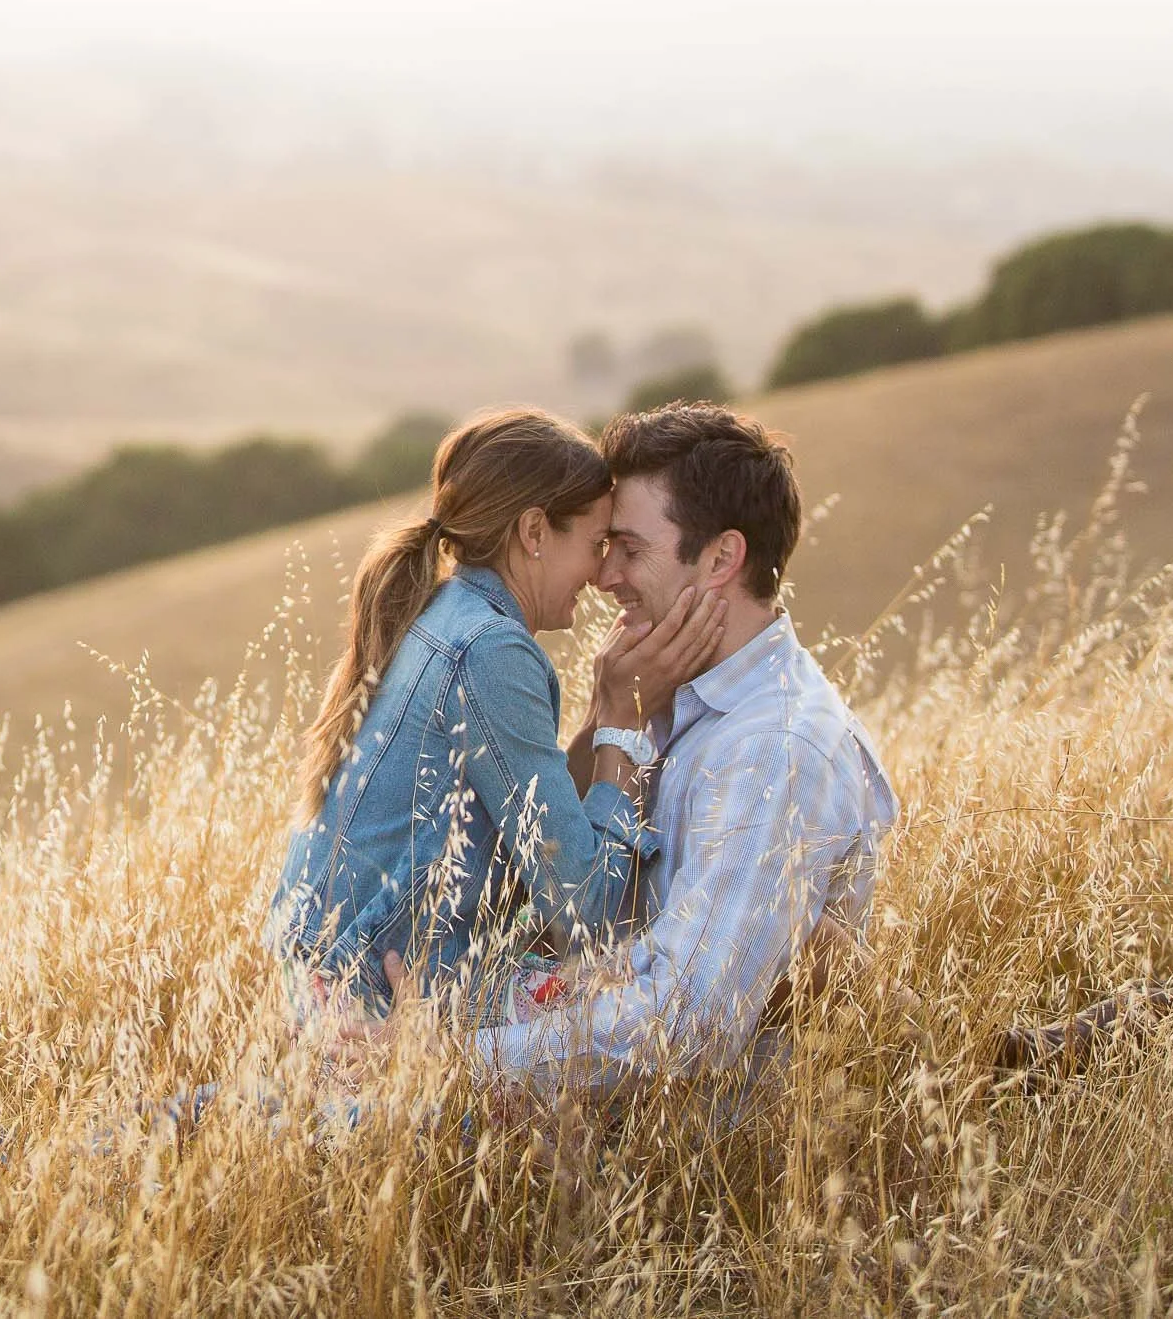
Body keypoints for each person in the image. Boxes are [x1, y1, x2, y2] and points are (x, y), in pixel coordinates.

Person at [357, 403, 900, 1102]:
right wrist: (606, 715)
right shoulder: (669, 693)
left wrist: (449, 1060)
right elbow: (561, 890)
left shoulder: (775, 749)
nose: (604, 574)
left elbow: (690, 1020)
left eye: (631, 549)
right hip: (545, 1072)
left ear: (720, 558)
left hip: (656, 1154)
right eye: (604, 545)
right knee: (228, 1112)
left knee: (271, 1127)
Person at [273, 406, 724, 1028]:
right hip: (372, 1011)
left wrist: (599, 710)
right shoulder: (490, 649)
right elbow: (585, 915)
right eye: (594, 545)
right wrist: (623, 724)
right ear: (534, 532)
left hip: (332, 981)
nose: (599, 576)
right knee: (636, 1010)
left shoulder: (449, 614)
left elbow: (527, 818)